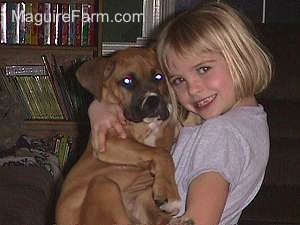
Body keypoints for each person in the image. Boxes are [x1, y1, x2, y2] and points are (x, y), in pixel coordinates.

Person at [87, 2, 273, 225]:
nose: (192, 89)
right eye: (178, 80)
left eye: (203, 69)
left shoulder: (221, 133)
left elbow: (199, 220)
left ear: (240, 56)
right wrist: (99, 107)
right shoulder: (245, 120)